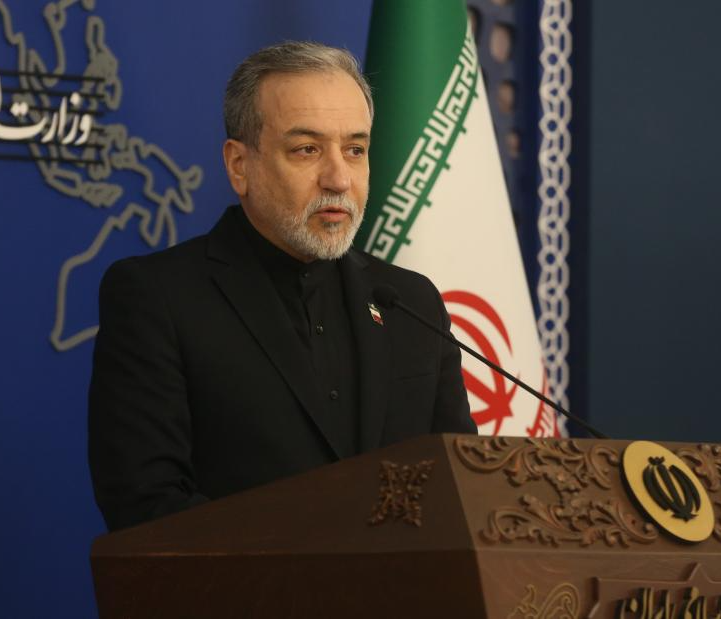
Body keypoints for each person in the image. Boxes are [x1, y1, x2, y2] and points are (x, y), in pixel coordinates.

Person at [88, 41, 476, 532]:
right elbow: (147, 507)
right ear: (239, 165)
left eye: (355, 150)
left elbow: (461, 487)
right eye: (307, 150)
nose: (338, 178)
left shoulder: (410, 301)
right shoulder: (157, 298)